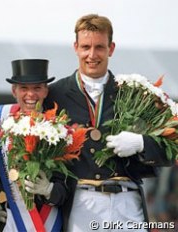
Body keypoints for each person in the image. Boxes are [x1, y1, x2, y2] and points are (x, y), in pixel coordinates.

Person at [43, 14, 174, 231]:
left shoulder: (133, 93)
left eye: (99, 47)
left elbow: (170, 151)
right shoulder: (55, 94)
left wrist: (142, 143)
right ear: (76, 47)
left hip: (127, 202)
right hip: (82, 203)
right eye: (86, 47)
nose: (92, 55)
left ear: (111, 48)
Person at [0, 59, 67, 232]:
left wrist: (50, 190)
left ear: (46, 91)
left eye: (37, 88)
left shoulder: (59, 130)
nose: (30, 95)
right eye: (24, 88)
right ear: (14, 91)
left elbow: (67, 185)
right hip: (8, 220)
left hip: (48, 221)